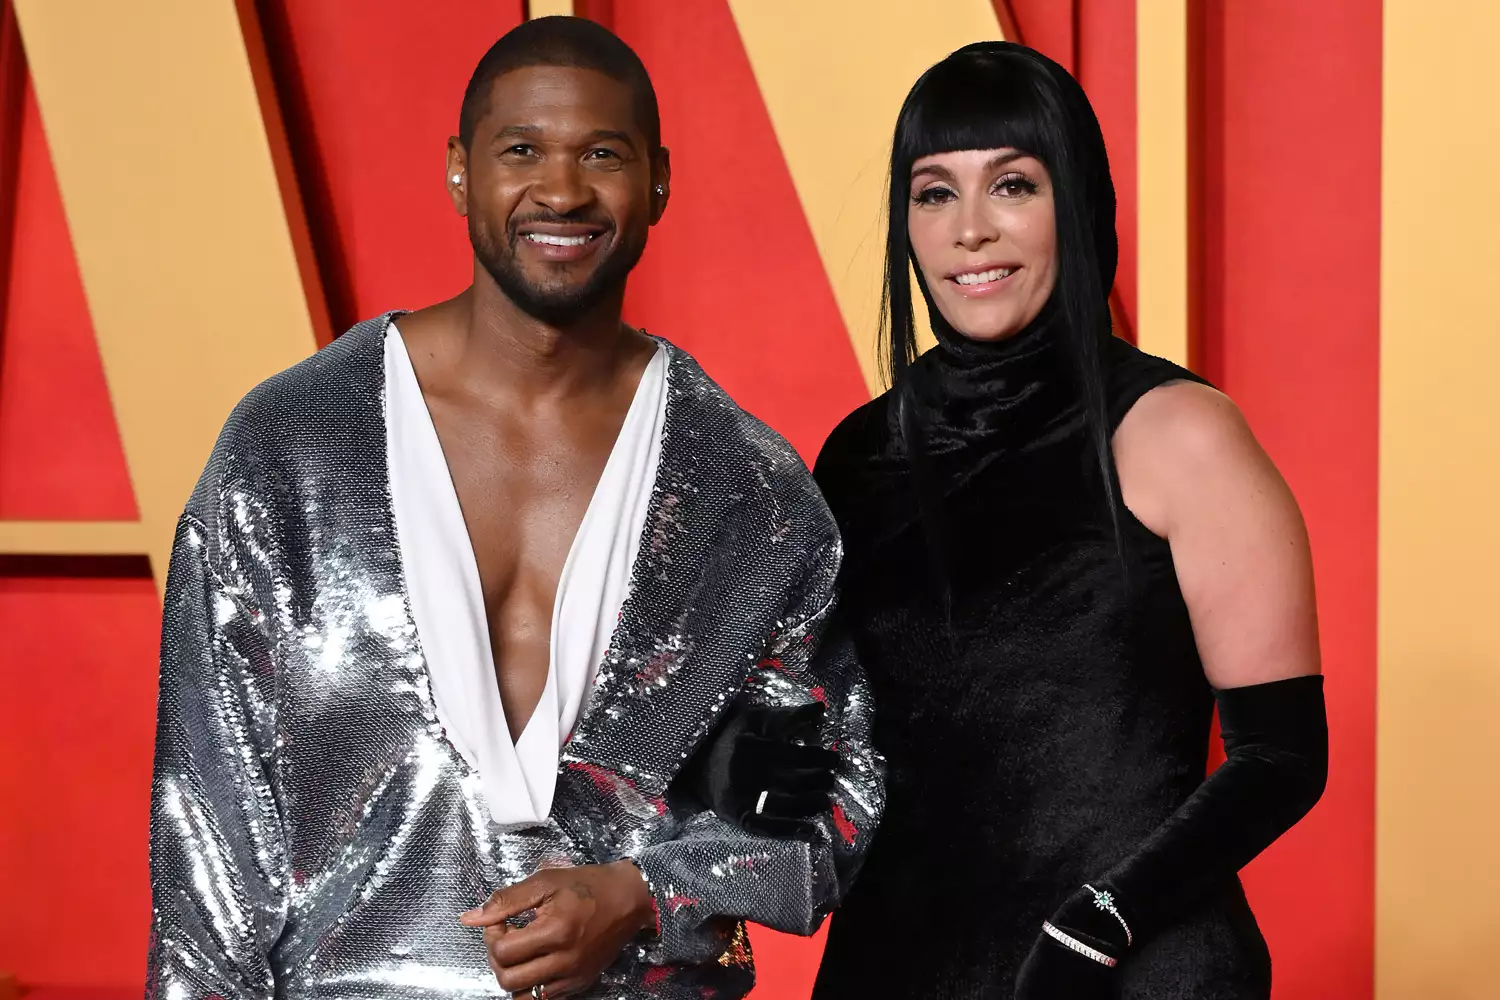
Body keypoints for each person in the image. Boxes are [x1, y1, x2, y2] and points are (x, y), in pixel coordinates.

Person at [145, 17, 880, 1000]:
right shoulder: (293, 449)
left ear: (658, 179)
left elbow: (838, 799)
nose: (563, 190)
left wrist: (646, 891)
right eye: (522, 150)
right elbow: (208, 842)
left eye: (602, 154)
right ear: (460, 171)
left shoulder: (748, 493)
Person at [810, 42, 1327, 999]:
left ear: (1078, 204)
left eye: (1011, 185)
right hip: (898, 962)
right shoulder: (856, 454)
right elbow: (832, 734)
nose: (969, 230)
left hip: (1129, 966)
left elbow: (1282, 756)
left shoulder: (1179, 433)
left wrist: (1100, 924)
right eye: (934, 193)